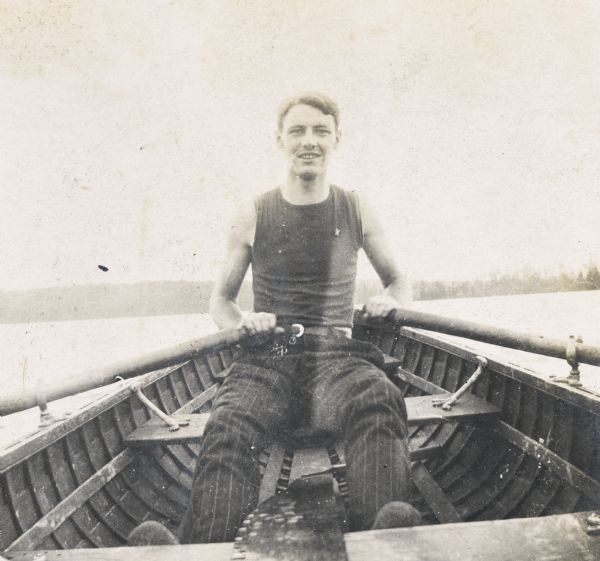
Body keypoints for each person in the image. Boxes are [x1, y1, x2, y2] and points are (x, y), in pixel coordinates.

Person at [129, 92, 417, 546]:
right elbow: (220, 301)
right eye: (297, 131)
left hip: (339, 355)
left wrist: (390, 300)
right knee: (227, 423)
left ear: (336, 139)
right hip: (270, 355)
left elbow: (400, 282)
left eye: (321, 131)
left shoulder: (356, 207)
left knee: (379, 399)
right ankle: (205, 550)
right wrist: (241, 323)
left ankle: (387, 540)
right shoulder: (254, 211)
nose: (309, 141)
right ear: (280, 140)